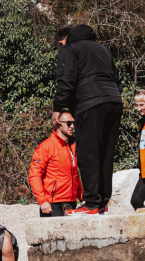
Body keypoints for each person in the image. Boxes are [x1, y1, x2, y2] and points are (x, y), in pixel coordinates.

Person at [52, 25, 122, 215]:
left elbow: (66, 79)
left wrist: (58, 108)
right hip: (114, 101)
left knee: (88, 153)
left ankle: (91, 203)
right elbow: (116, 78)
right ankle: (102, 202)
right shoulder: (102, 49)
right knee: (105, 154)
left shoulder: (70, 49)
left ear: (63, 40)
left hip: (91, 104)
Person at [28, 110, 81, 217]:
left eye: (74, 123)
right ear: (58, 124)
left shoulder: (74, 146)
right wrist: (42, 201)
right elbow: (34, 176)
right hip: (52, 204)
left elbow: (74, 175)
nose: (72, 126)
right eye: (68, 123)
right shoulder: (46, 147)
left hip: (71, 202)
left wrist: (82, 197)